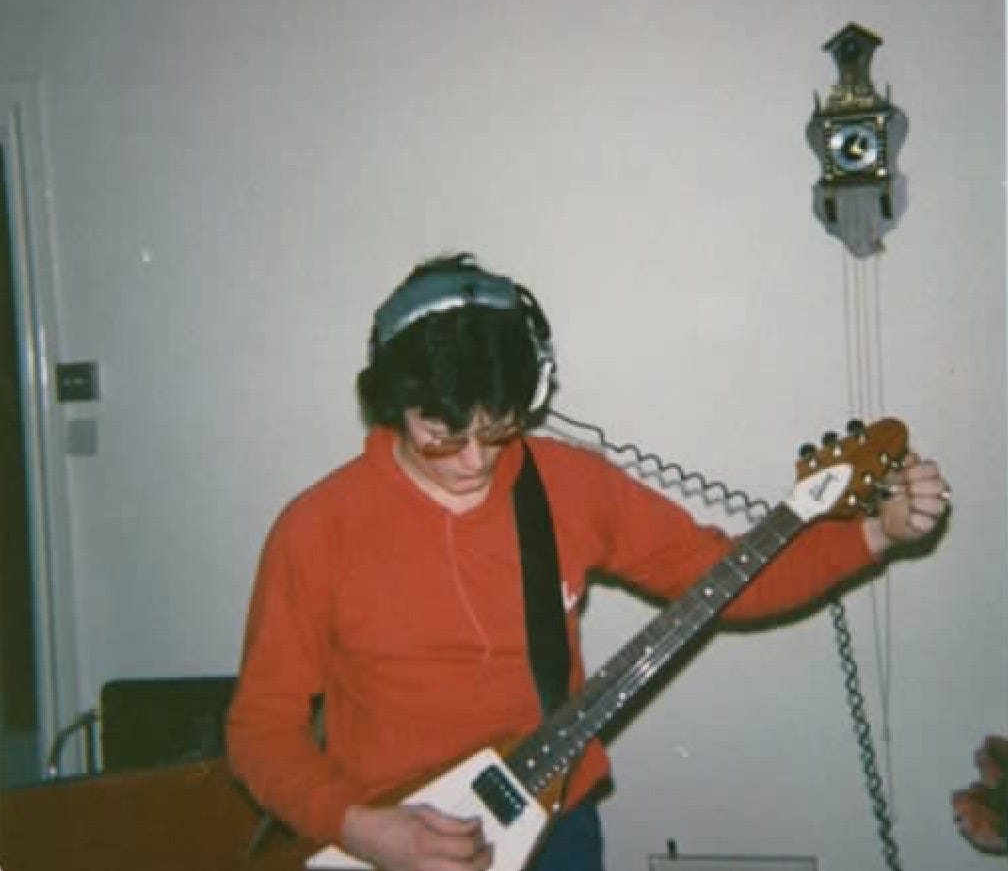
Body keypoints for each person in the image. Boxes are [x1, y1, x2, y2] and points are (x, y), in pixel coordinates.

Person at [226, 252, 950, 871]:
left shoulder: (568, 486)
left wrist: (874, 536)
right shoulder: (316, 529)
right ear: (392, 404)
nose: (475, 460)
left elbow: (727, 580)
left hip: (554, 825)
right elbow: (259, 729)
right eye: (442, 434)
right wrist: (359, 826)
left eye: (498, 426)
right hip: (386, 834)